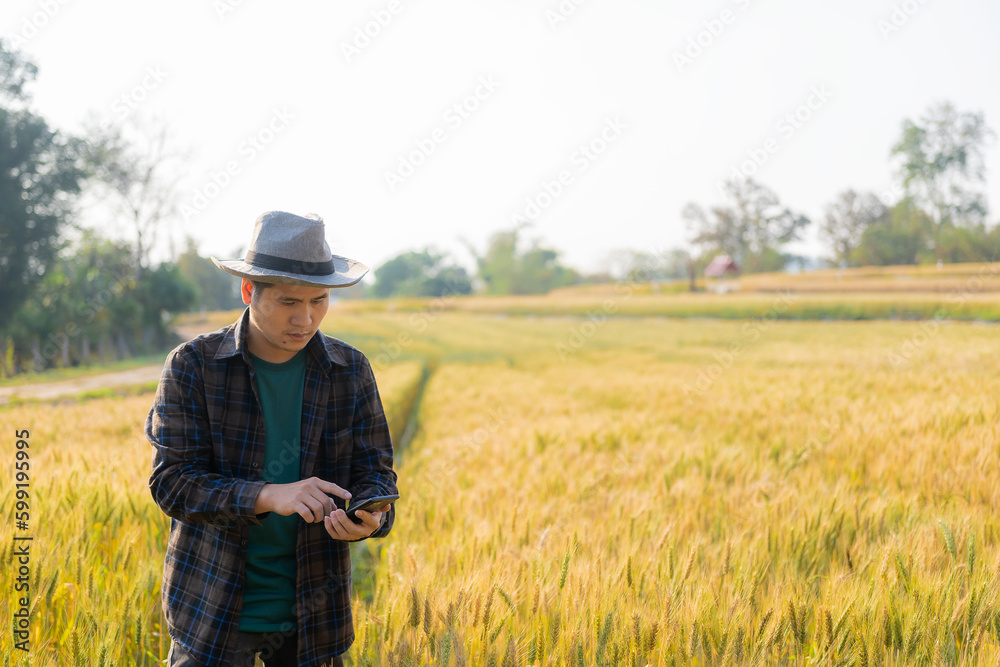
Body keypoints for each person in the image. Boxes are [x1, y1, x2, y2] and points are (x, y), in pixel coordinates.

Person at [146, 211, 398, 667]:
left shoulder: (350, 369)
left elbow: (376, 476)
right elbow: (172, 483)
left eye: (319, 300)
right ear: (248, 292)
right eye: (288, 302)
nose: (305, 318)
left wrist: (373, 516)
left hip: (314, 617)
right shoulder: (193, 365)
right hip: (212, 611)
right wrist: (268, 495)